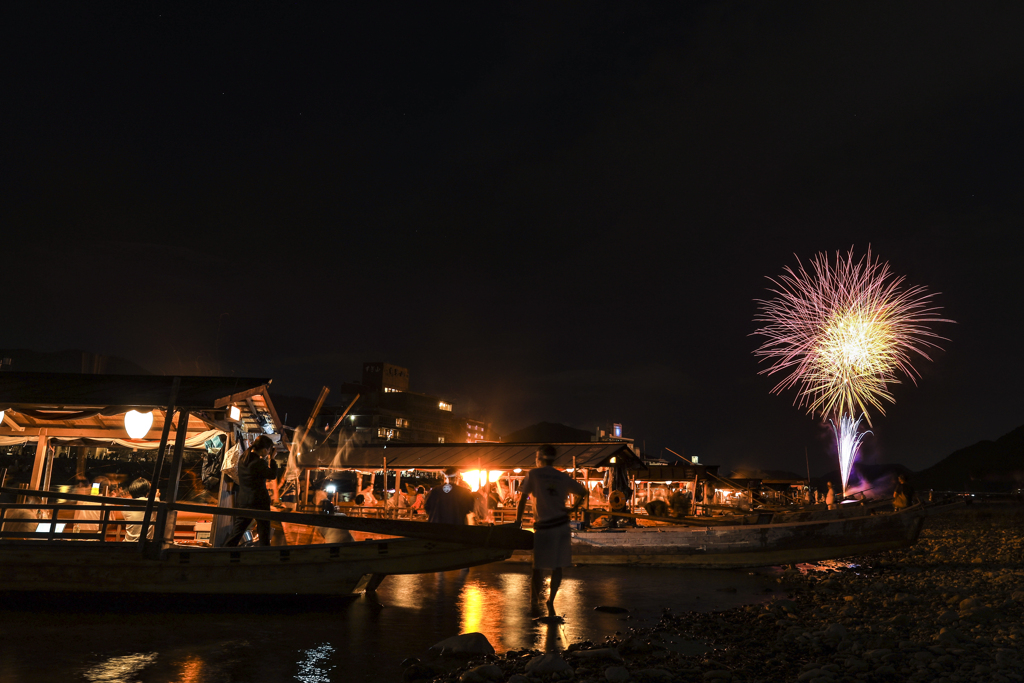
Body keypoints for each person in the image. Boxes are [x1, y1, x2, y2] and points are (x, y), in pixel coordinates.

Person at [514, 445, 588, 609]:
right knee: (557, 567)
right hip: (562, 526)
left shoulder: (534, 474)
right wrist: (572, 509)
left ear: (538, 457)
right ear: (554, 459)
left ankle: (534, 601)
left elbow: (522, 500)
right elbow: (583, 493)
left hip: (544, 526)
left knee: (537, 568)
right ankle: (550, 601)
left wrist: (517, 523)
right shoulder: (561, 477)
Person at [224, 435, 279, 547]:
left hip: (244, 501)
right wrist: (272, 459)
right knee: (264, 532)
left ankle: (225, 552)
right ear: (264, 449)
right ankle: (264, 557)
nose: (268, 453)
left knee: (238, 531)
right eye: (268, 450)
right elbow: (272, 474)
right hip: (259, 502)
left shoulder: (243, 459)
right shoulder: (259, 463)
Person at [123, 477, 156, 542]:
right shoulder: (154, 503)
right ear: (147, 492)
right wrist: (156, 496)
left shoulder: (125, 506)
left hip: (128, 543)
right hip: (146, 545)